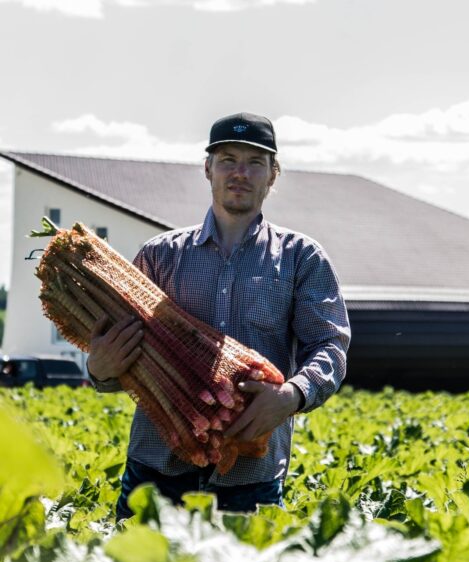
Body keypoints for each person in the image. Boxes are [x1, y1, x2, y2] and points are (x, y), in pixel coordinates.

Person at [87, 112, 350, 520]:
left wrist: (292, 395)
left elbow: (329, 344)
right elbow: (118, 350)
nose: (240, 173)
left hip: (250, 475)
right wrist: (100, 369)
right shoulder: (160, 256)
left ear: (273, 174)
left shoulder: (301, 257)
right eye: (228, 160)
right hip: (157, 469)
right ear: (208, 168)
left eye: (255, 162)